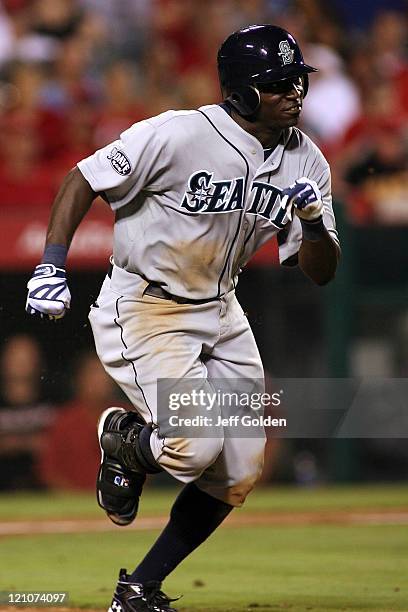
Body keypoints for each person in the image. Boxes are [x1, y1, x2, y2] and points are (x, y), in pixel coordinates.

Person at [26, 24, 340, 612]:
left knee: (241, 467)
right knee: (195, 448)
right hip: (146, 305)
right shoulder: (178, 133)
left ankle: (138, 589)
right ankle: (123, 441)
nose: (295, 91)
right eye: (277, 84)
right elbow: (83, 178)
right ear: (242, 91)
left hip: (222, 308)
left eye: (298, 79)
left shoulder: (307, 158)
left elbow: (319, 272)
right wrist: (51, 264)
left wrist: (316, 221)